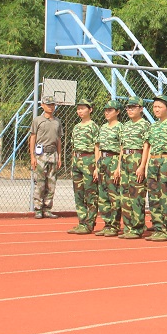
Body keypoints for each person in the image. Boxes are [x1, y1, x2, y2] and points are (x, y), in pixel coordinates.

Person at [144, 94, 167, 242]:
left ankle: (165, 229)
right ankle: (158, 228)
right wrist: (145, 166)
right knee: (153, 197)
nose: (156, 109)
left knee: (166, 197)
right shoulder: (153, 125)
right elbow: (149, 146)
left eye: (160, 107)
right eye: (154, 106)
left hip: (165, 161)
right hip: (153, 162)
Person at [117, 97, 150, 239]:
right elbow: (122, 147)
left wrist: (143, 166)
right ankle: (128, 226)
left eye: (133, 107)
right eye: (128, 107)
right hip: (125, 160)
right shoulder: (125, 126)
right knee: (125, 196)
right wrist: (118, 166)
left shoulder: (145, 125)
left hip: (137, 158)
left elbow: (147, 147)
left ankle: (137, 227)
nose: (129, 110)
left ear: (141, 109)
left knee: (137, 195)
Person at [68, 98, 100, 234]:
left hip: (89, 160)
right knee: (78, 193)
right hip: (77, 161)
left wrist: (97, 167)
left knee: (90, 193)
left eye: (83, 108)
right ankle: (81, 221)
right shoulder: (76, 127)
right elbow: (74, 147)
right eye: (78, 109)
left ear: (90, 110)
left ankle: (89, 223)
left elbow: (97, 147)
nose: (80, 111)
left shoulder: (93, 126)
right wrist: (72, 165)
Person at [29, 95, 63, 219]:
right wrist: (32, 156)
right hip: (40, 154)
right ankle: (38, 208)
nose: (51, 107)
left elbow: (59, 140)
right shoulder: (37, 120)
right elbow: (32, 137)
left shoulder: (57, 121)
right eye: (48, 104)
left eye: (52, 104)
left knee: (51, 182)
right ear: (42, 105)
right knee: (40, 182)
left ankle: (47, 208)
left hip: (53, 153)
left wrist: (59, 156)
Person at [94, 100, 123, 236]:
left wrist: (118, 167)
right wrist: (96, 165)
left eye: (110, 110)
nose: (107, 112)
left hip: (114, 159)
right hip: (102, 160)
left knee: (114, 194)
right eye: (105, 110)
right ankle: (106, 223)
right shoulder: (103, 127)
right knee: (103, 194)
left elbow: (122, 147)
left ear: (117, 112)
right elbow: (98, 147)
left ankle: (114, 224)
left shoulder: (120, 127)